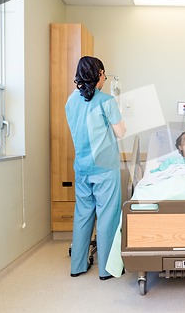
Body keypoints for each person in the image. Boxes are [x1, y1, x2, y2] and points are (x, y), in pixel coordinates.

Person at [65, 56, 126, 281]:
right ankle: (107, 269)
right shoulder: (106, 100)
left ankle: (77, 265)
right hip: (105, 168)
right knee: (107, 215)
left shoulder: (70, 101)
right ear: (99, 74)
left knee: (82, 215)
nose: (104, 78)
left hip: (82, 167)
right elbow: (121, 133)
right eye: (104, 75)